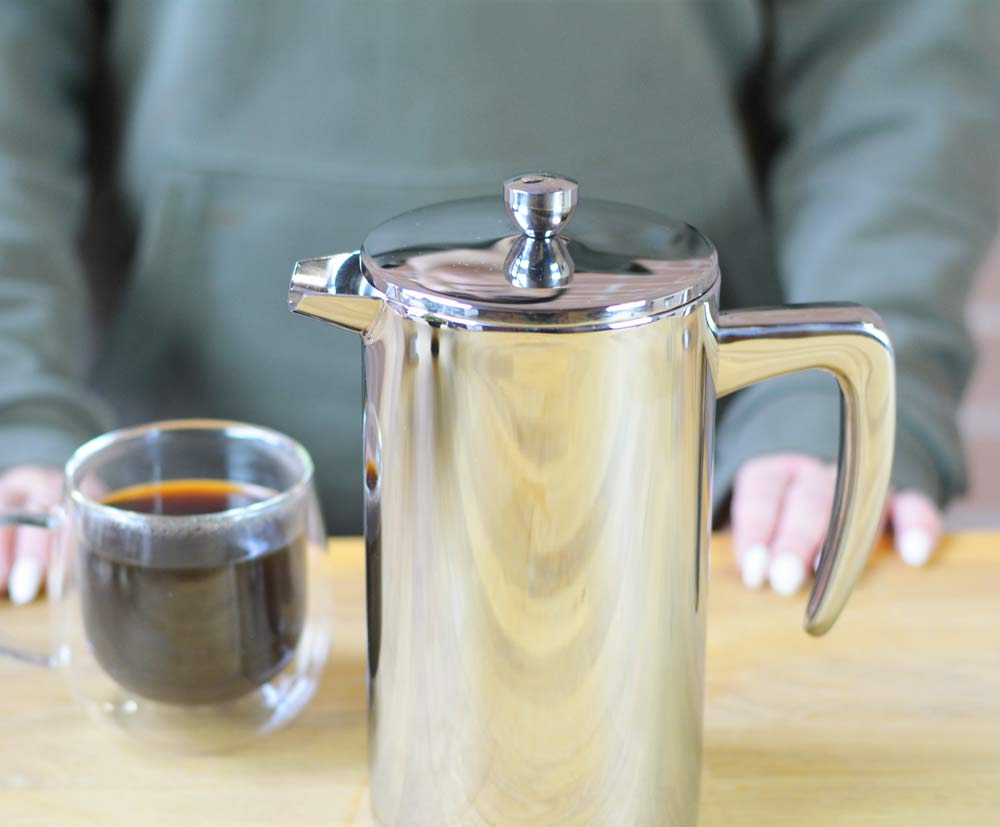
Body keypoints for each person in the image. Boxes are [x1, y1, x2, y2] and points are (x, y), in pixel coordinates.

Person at [1, 0, 998, 605]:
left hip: (697, 490)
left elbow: (897, 56)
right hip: (169, 512)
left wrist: (832, 393)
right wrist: (14, 395)